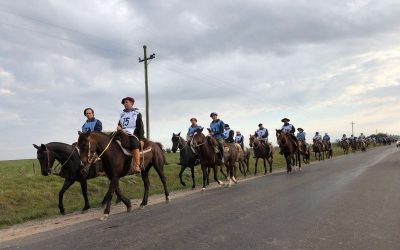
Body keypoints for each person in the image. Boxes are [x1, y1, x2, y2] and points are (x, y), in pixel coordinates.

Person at [117, 97, 145, 174]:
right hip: (122, 131)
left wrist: (141, 138)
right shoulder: (122, 114)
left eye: (126, 102)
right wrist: (119, 126)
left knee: (134, 143)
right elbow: (120, 124)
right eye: (124, 103)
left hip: (133, 132)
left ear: (132, 103)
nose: (125, 104)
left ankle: (137, 165)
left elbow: (140, 126)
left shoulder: (137, 113)